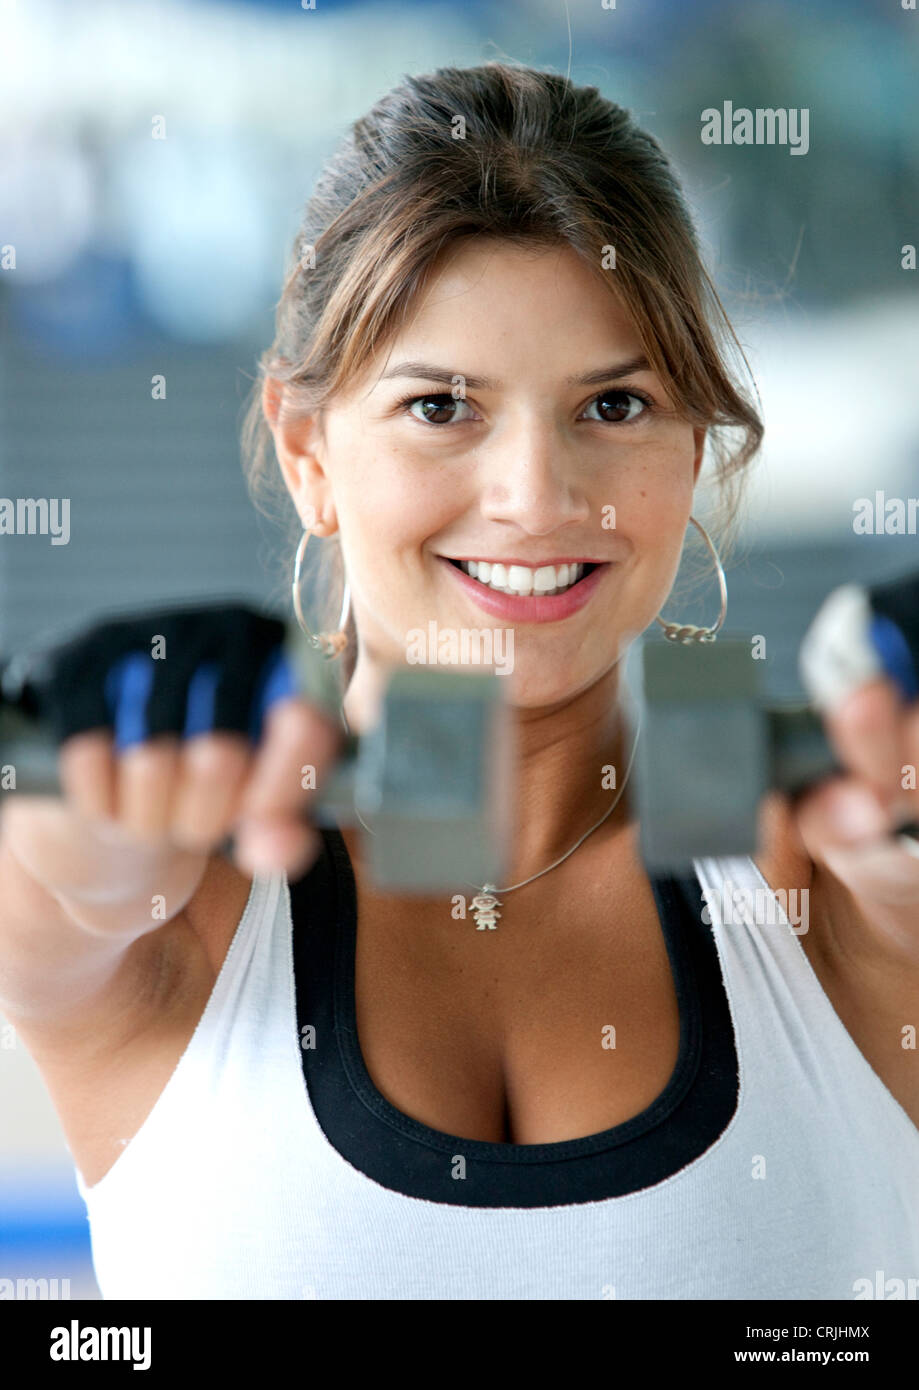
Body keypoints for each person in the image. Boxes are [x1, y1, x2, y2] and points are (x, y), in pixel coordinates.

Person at [1, 62, 917, 1300]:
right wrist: (77, 764)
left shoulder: (824, 875)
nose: (535, 498)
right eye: (441, 406)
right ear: (307, 447)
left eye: (613, 402)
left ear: (690, 446)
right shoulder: (181, 899)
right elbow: (60, 875)